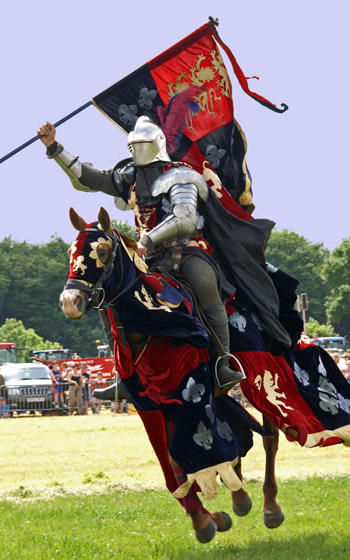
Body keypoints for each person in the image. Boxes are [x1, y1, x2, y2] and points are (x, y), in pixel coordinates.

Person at [38, 115, 249, 394]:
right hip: (147, 258)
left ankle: (223, 363)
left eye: (143, 144)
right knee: (107, 296)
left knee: (204, 284)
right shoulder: (130, 177)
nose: (138, 150)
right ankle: (125, 375)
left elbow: (184, 218)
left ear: (157, 143)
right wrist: (55, 147)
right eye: (134, 145)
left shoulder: (181, 174)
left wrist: (149, 238)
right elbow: (89, 179)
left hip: (186, 249)